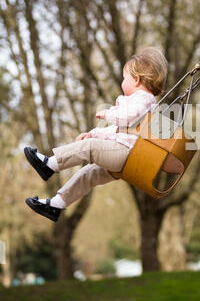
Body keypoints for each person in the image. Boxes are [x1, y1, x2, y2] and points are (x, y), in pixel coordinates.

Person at [24, 47, 168, 222]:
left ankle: (49, 164)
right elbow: (117, 130)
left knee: (89, 149)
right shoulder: (138, 103)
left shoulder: (143, 99)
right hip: (123, 157)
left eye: (125, 78)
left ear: (136, 80)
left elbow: (125, 119)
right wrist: (94, 134)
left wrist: (108, 114)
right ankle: (55, 205)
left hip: (127, 153)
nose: (123, 82)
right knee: (87, 174)